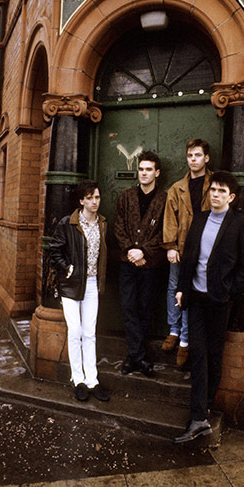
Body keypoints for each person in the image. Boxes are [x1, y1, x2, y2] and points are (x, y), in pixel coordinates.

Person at [174, 171, 244, 443]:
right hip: (195, 298)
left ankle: (205, 406)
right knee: (198, 353)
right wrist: (182, 290)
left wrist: (230, 291)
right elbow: (189, 258)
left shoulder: (240, 223)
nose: (215, 194)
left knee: (213, 355)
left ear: (231, 197)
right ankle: (198, 417)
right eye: (213, 190)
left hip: (220, 301)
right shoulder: (199, 219)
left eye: (221, 191)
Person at [49, 180, 110, 403]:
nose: (95, 202)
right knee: (74, 331)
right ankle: (78, 379)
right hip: (71, 284)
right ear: (81, 200)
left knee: (89, 331)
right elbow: (54, 250)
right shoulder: (68, 223)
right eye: (90, 198)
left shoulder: (102, 223)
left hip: (92, 283)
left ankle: (92, 379)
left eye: (97, 197)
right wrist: (67, 267)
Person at [114, 151, 167, 377]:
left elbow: (165, 231)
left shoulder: (164, 199)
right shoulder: (126, 197)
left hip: (150, 264)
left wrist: (143, 252)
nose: (144, 173)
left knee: (145, 309)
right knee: (128, 308)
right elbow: (119, 227)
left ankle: (134, 356)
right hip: (127, 263)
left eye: (148, 170)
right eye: (141, 169)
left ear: (156, 173)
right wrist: (131, 251)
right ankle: (138, 357)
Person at [162, 138, 212, 366]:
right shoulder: (176, 188)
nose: (193, 160)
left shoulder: (214, 185)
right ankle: (173, 329)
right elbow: (170, 218)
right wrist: (171, 246)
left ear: (206, 158)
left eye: (198, 155)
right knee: (174, 286)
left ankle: (185, 338)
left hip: (203, 249)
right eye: (190, 156)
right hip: (180, 248)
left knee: (192, 291)